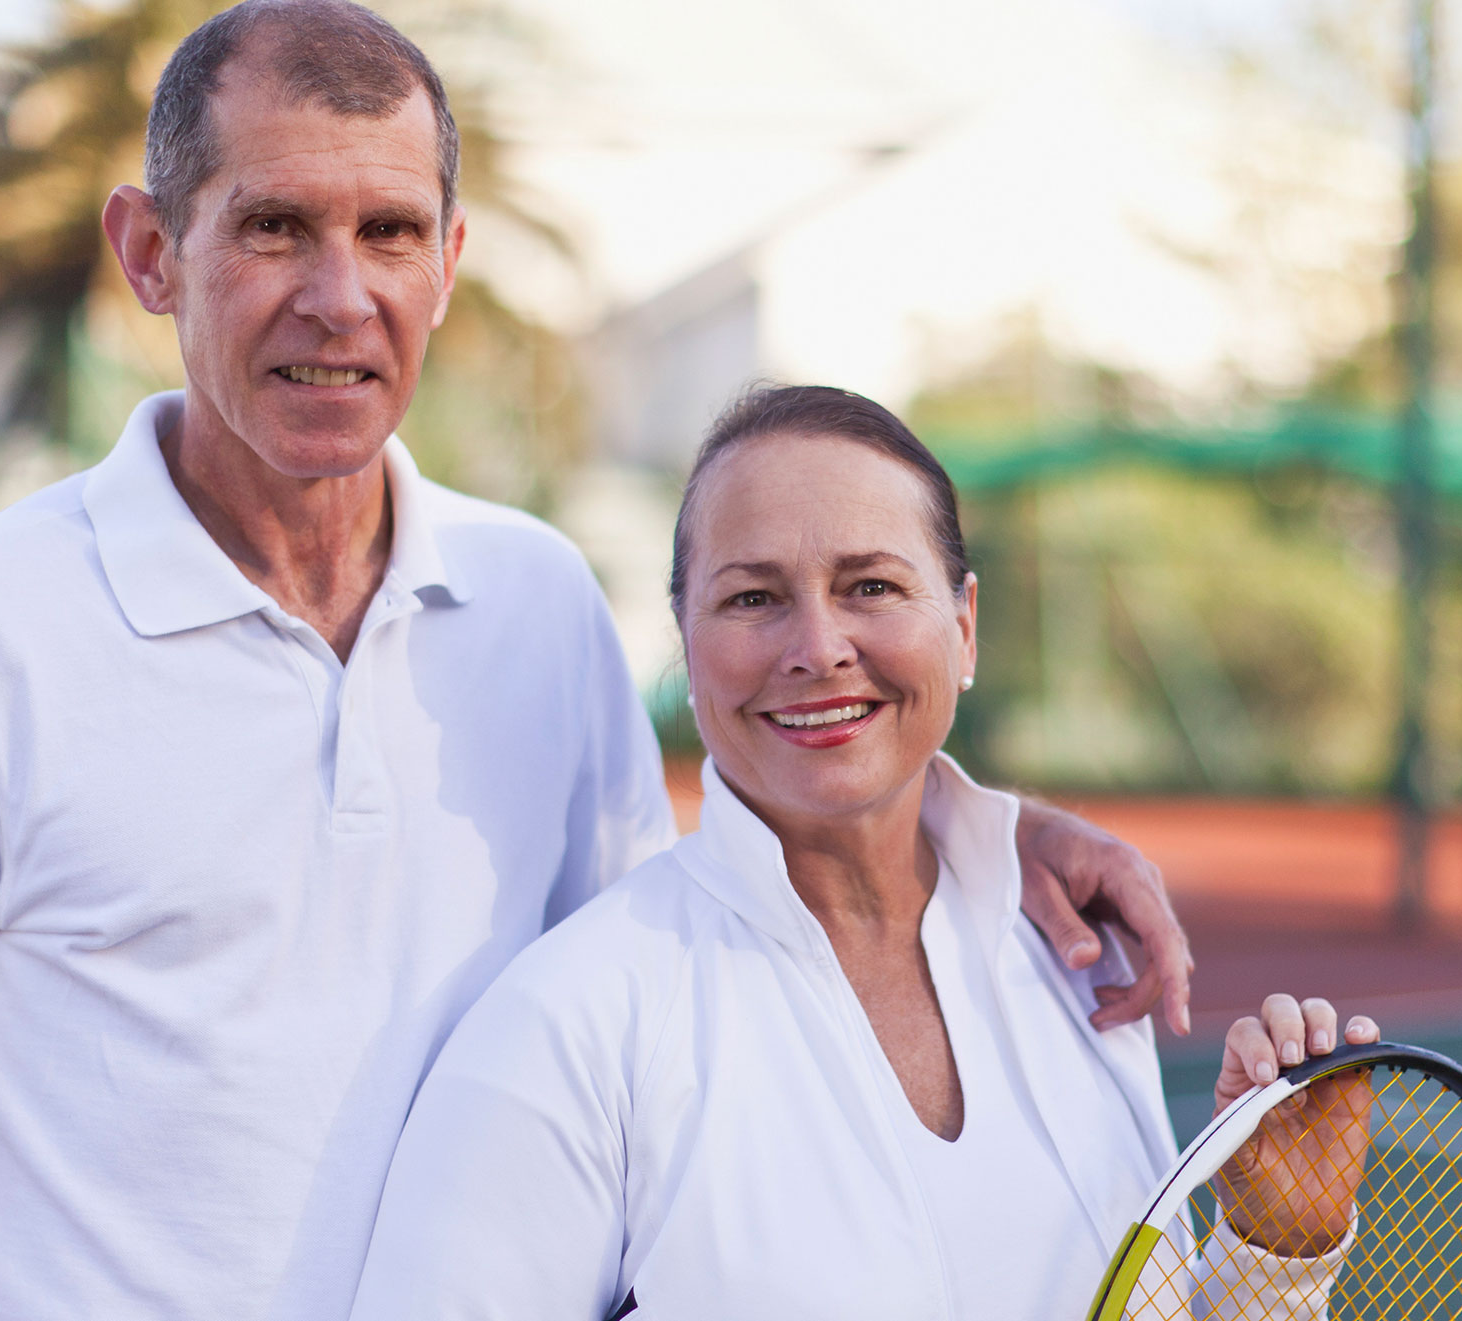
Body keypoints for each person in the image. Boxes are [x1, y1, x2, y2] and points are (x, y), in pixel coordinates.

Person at [0, 5, 1192, 1319]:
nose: (340, 296)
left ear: (449, 260)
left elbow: (688, 951)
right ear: (153, 255)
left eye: (390, 232)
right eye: (276, 227)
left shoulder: (535, 600)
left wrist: (976, 826)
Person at [347, 387, 1377, 1320]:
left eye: (872, 586)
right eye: (752, 597)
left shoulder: (1076, 967)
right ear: (686, 639)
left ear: (963, 628)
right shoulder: (564, 1031)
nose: (817, 645)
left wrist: (1273, 1265)